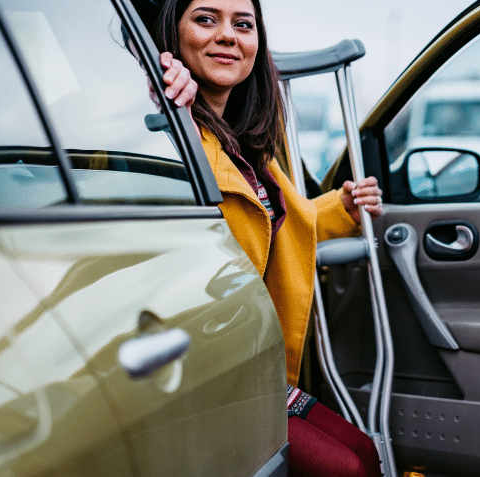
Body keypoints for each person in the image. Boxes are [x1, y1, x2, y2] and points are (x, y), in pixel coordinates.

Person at [145, 0, 383, 475]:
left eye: (243, 24)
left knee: (365, 452)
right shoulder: (170, 129)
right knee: (347, 469)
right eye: (206, 19)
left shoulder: (247, 146)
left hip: (254, 366)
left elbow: (269, 220)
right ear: (175, 33)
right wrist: (159, 95)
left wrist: (342, 207)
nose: (229, 35)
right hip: (205, 376)